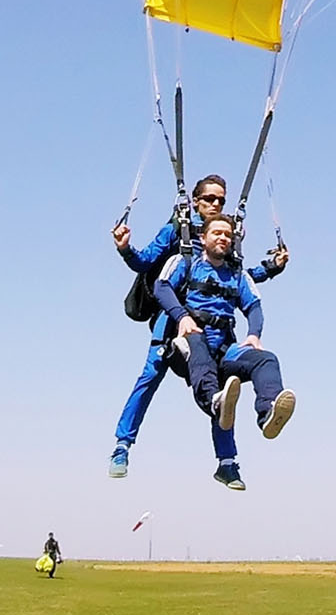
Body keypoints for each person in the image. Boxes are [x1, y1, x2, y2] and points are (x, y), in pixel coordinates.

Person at [106, 175, 288, 476]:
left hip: (212, 329)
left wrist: (271, 268)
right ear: (195, 201)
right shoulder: (177, 230)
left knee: (221, 388)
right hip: (172, 321)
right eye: (209, 199)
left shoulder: (225, 236)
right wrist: (126, 248)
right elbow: (146, 262)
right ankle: (122, 446)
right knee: (149, 378)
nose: (215, 204)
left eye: (220, 200)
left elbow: (231, 280)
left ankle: (227, 463)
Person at [160, 213, 293, 491]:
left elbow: (253, 305)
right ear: (203, 238)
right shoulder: (186, 263)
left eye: (227, 234)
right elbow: (161, 287)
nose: (223, 237)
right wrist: (181, 316)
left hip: (225, 348)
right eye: (217, 233)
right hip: (188, 341)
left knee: (266, 359)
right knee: (199, 350)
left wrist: (254, 334)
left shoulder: (237, 275)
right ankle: (214, 401)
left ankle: (267, 411)